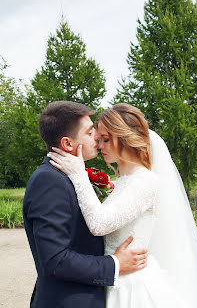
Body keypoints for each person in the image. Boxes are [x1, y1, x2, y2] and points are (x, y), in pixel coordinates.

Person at [49, 103, 197, 308]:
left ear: (125, 138)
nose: (99, 145)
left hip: (132, 288)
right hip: (114, 280)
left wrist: (79, 175)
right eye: (99, 139)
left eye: (106, 139)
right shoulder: (122, 182)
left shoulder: (145, 181)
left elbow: (99, 224)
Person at [23, 101, 148, 308]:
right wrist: (114, 264)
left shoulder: (66, 176)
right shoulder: (49, 181)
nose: (97, 139)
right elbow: (56, 259)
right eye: (90, 133)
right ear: (67, 144)